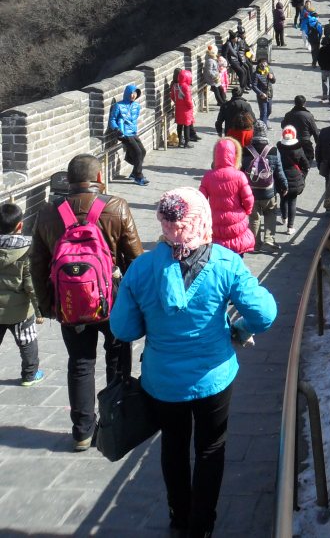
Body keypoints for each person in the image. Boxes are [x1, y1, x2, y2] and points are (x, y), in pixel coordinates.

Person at [110, 187, 277, 536]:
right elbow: (264, 313)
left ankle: (178, 517)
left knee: (173, 445)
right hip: (213, 377)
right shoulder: (225, 262)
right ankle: (203, 524)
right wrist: (237, 327)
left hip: (162, 380)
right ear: (202, 219)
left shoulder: (141, 268)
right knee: (210, 447)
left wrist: (154, 322)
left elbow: (123, 329)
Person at [30, 153, 142, 449]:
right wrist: (138, 303)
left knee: (80, 363)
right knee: (117, 358)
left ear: (69, 181)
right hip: (112, 301)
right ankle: (113, 423)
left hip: (69, 302)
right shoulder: (115, 207)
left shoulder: (48, 212)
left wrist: (48, 305)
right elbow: (136, 260)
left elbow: (37, 264)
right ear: (99, 178)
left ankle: (82, 431)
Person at [0, 202, 44, 387]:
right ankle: (30, 374)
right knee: (27, 342)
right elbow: (30, 285)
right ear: (20, 225)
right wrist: (40, 311)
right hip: (20, 312)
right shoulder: (27, 250)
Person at [199, 138, 255, 257]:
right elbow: (248, 199)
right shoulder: (239, 176)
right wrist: (247, 211)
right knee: (237, 261)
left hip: (216, 225)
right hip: (236, 225)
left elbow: (201, 200)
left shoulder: (208, 177)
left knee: (217, 260)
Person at [242, 122, 288, 250]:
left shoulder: (246, 150)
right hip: (269, 192)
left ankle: (255, 243)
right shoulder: (273, 150)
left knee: (254, 218)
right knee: (270, 214)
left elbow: (241, 171)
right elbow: (279, 171)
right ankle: (269, 239)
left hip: (251, 192)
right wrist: (284, 185)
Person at [108, 83, 148, 185]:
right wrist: (116, 128)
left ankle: (134, 172)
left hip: (132, 132)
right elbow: (112, 119)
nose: (133, 95)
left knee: (142, 151)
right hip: (123, 133)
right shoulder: (118, 105)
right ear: (127, 93)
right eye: (131, 93)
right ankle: (138, 176)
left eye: (135, 93)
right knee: (138, 152)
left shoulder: (136, 106)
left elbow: (134, 119)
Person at [276, 126, 308, 237]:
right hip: (295, 179)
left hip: (281, 178)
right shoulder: (298, 149)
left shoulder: (278, 149)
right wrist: (302, 176)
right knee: (293, 202)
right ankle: (290, 227)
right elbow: (305, 164)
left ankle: (284, 217)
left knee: (283, 199)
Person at [281, 95, 319, 165]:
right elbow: (315, 131)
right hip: (305, 142)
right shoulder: (308, 115)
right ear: (304, 103)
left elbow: (283, 126)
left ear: (294, 103)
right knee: (307, 162)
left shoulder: (288, 114)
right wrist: (319, 145)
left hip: (292, 142)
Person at [171, 68, 195, 149]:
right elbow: (188, 99)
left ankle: (180, 141)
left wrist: (177, 102)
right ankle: (187, 142)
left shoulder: (175, 86)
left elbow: (172, 96)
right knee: (187, 125)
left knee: (179, 125)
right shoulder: (186, 87)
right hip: (186, 110)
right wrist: (191, 106)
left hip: (178, 108)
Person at [251, 59, 275, 127]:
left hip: (270, 94)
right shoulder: (256, 74)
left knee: (269, 111)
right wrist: (261, 93)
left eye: (265, 65)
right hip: (262, 96)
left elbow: (273, 81)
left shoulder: (269, 70)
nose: (264, 66)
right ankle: (263, 126)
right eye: (262, 65)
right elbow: (254, 86)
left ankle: (264, 120)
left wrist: (272, 78)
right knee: (264, 112)